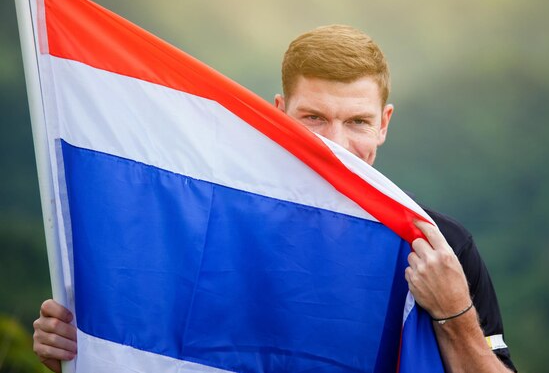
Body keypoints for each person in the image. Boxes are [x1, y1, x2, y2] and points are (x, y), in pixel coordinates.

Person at [33, 25, 516, 372]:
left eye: (358, 122)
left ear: (384, 123)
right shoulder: (221, 224)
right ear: (280, 114)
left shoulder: (436, 247)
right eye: (314, 119)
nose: (335, 144)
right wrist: (86, 354)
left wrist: (454, 313)